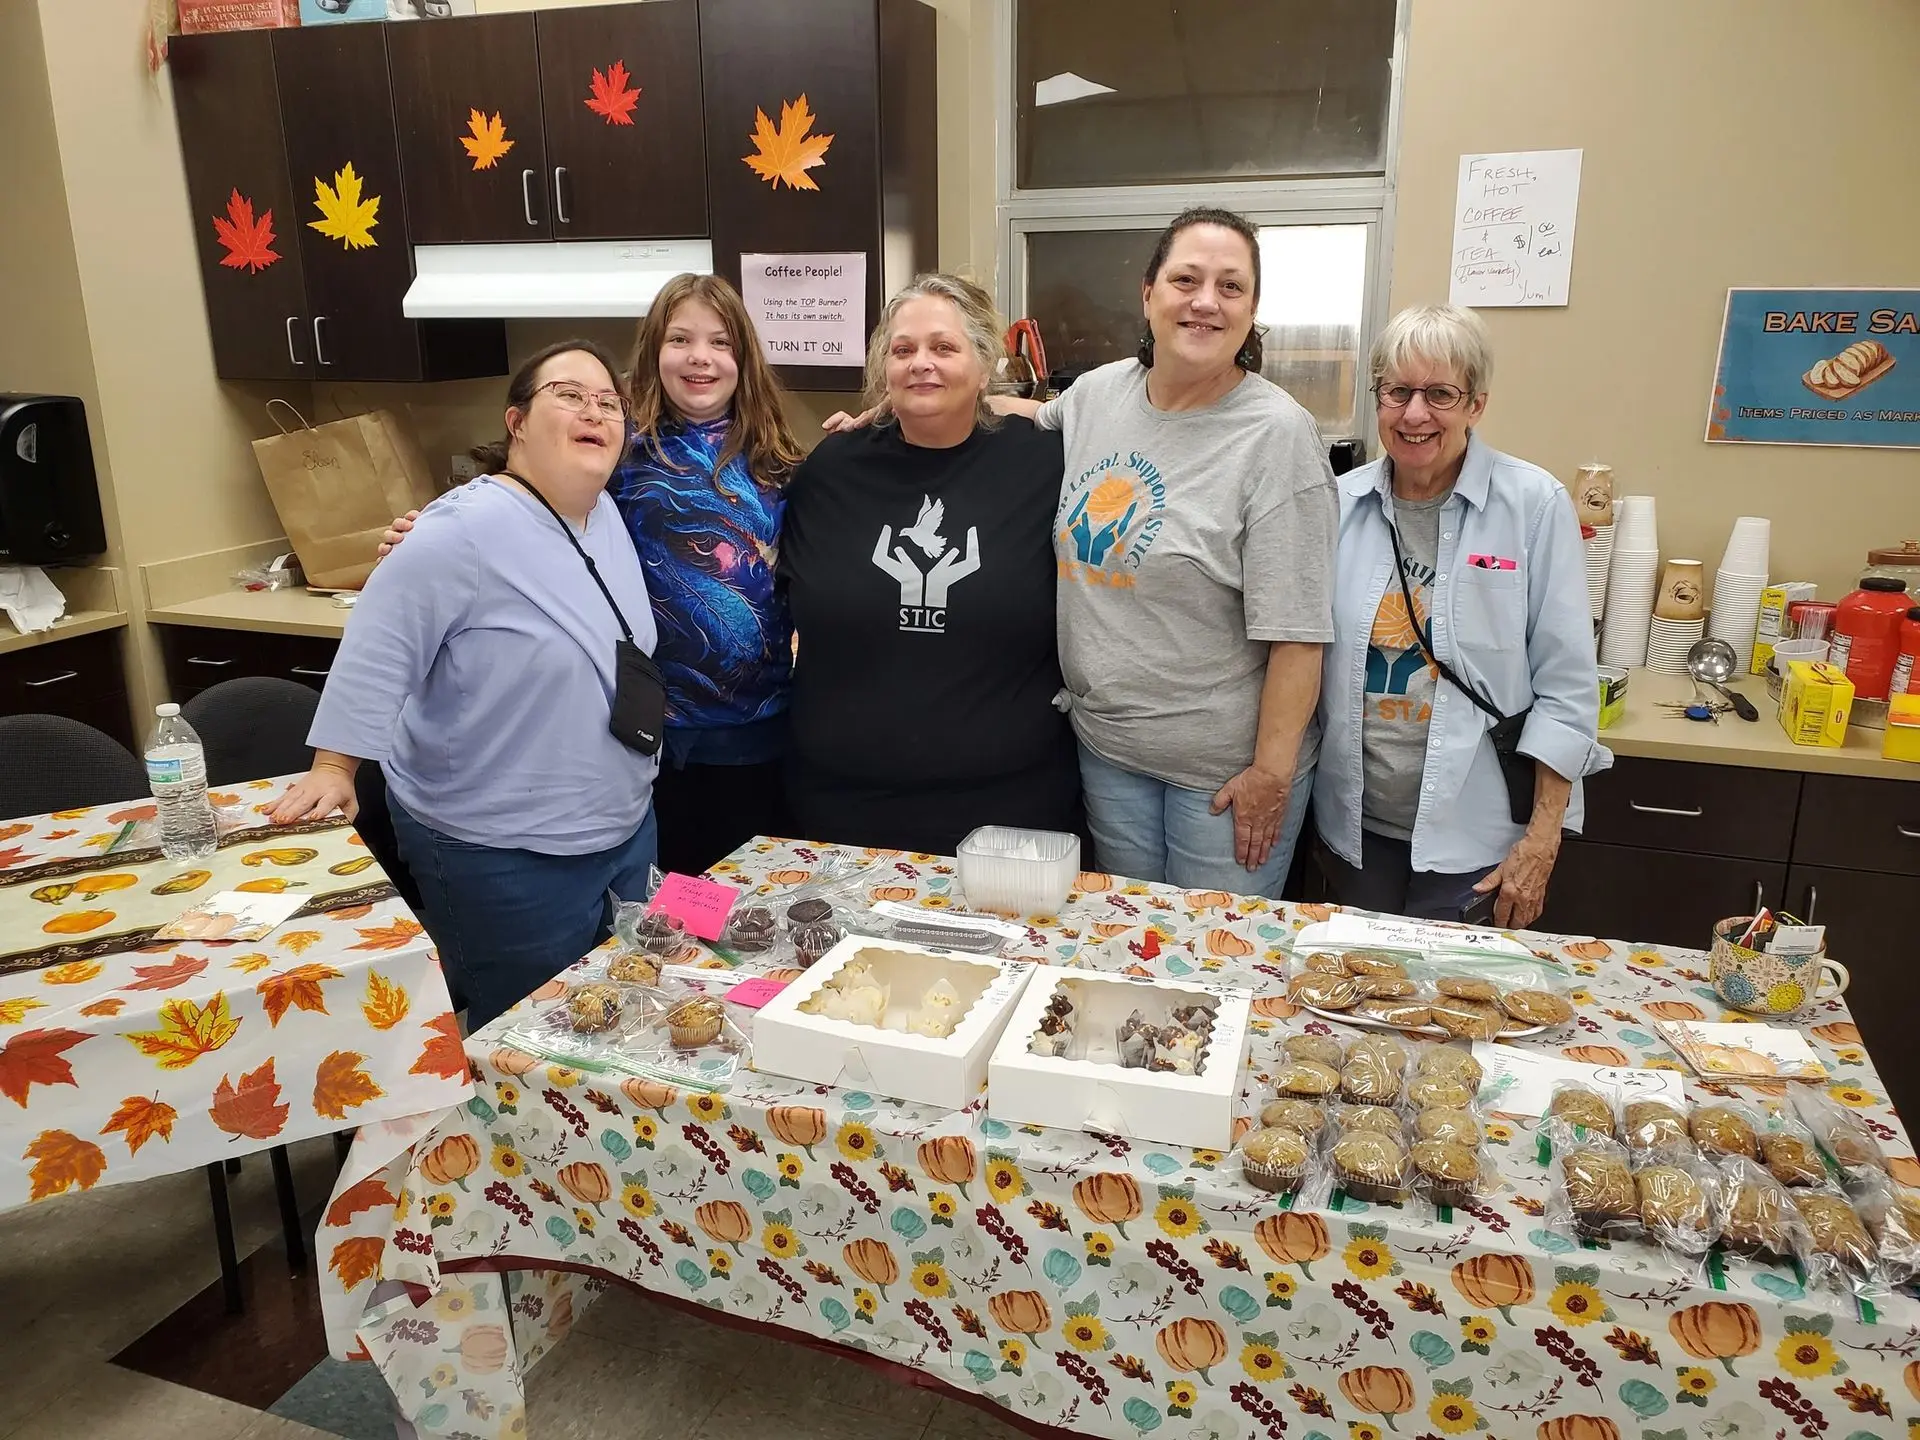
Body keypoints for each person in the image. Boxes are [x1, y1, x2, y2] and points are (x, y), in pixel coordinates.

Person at [271, 340, 659, 1027]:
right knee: (525, 1041)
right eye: (569, 395)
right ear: (516, 422)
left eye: (608, 402)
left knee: (612, 1024)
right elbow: (381, 641)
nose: (593, 410)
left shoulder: (604, 513)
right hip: (503, 852)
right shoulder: (460, 530)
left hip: (620, 829)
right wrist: (335, 767)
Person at [384, 274, 803, 875]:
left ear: (745, 358)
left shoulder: (781, 462)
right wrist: (432, 525)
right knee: (666, 912)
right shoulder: (615, 451)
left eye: (721, 342)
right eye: (680, 339)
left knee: (748, 902)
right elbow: (516, 500)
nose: (700, 358)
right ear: (655, 353)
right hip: (638, 735)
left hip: (756, 730)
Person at [1004, 207, 1338, 894]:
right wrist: (893, 414)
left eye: (1230, 286)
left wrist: (1270, 777)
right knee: (1131, 951)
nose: (1205, 301)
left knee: (1215, 968)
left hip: (1225, 778)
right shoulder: (1098, 394)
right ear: (1149, 295)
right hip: (1107, 751)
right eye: (1187, 279)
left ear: (1252, 311)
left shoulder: (1278, 436)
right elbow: (1021, 417)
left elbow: (1300, 633)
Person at [1312, 303, 1609, 927]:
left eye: (1440, 394)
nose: (1415, 414)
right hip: (1357, 830)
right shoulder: (1340, 504)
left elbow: (1568, 689)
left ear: (1476, 405)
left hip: (1476, 842)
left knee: (1449, 1011)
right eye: (1397, 391)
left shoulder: (1532, 505)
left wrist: (1542, 840)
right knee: (1355, 998)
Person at [781, 273, 1079, 854]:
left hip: (1010, 812)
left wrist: (1015, 405)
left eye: (944, 347)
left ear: (985, 359)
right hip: (839, 806)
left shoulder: (1045, 464)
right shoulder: (830, 470)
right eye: (903, 350)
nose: (922, 363)